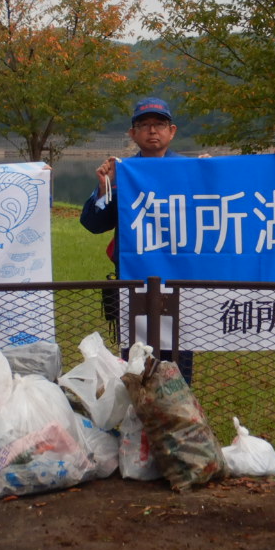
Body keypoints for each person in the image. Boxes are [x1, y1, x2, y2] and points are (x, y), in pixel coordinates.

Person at [81, 97, 194, 380]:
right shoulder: (122, 172)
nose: (152, 130)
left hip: (180, 278)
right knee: (136, 358)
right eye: (144, 125)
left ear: (172, 131)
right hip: (133, 280)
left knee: (179, 355)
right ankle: (137, 406)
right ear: (133, 133)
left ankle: (179, 405)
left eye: (159, 124)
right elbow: (94, 224)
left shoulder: (192, 170)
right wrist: (104, 188)